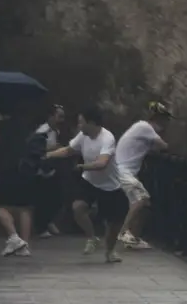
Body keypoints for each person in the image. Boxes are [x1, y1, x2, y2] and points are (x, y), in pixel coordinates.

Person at [44, 104, 129, 263]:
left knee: (113, 223)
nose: (79, 126)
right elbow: (69, 150)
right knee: (77, 207)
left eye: (81, 122)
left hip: (110, 186)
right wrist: (49, 154)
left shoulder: (107, 138)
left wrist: (83, 166)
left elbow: (102, 163)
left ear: (92, 123)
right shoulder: (83, 136)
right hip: (89, 181)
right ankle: (92, 237)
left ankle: (110, 252)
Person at [113, 101, 173, 251]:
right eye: (165, 119)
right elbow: (164, 146)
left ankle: (133, 238)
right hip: (123, 171)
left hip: (122, 171)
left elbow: (152, 148)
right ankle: (123, 232)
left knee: (144, 205)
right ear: (159, 119)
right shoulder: (145, 128)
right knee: (142, 199)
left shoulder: (141, 129)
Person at [0, 107, 35, 256]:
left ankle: (14, 237)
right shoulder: (25, 126)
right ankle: (24, 246)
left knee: (2, 206)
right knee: (24, 208)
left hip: (5, 169)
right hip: (24, 168)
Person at [30, 104, 69, 238]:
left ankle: (49, 221)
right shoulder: (42, 132)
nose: (61, 120)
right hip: (42, 169)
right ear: (51, 116)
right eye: (59, 116)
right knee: (43, 199)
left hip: (53, 167)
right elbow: (34, 149)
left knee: (58, 197)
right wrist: (51, 148)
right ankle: (41, 228)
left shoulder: (56, 131)